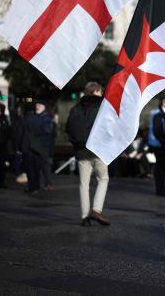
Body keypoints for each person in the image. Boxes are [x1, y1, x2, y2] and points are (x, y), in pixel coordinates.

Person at [66, 82, 110, 226]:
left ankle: (85, 216)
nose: (102, 93)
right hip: (98, 150)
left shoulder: (75, 108)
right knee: (103, 179)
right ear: (96, 91)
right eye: (100, 91)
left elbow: (68, 129)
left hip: (81, 152)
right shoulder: (103, 107)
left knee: (83, 184)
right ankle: (96, 210)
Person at [13, 97, 53, 194]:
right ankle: (38, 186)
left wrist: (17, 147)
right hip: (37, 147)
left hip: (26, 147)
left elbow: (19, 134)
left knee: (29, 168)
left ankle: (33, 187)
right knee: (36, 168)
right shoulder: (40, 119)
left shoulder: (24, 119)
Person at [148, 96, 165, 196]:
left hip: (163, 145)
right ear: (163, 103)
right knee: (160, 168)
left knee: (162, 168)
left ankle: (161, 188)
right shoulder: (158, 114)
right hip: (160, 145)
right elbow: (157, 131)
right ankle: (160, 189)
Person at [35, 100, 55, 190]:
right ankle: (43, 183)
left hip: (44, 146)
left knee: (45, 166)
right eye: (37, 104)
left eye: (39, 104)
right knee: (39, 166)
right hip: (38, 145)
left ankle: (48, 183)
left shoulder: (46, 117)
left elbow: (47, 131)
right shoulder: (38, 116)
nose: (37, 106)